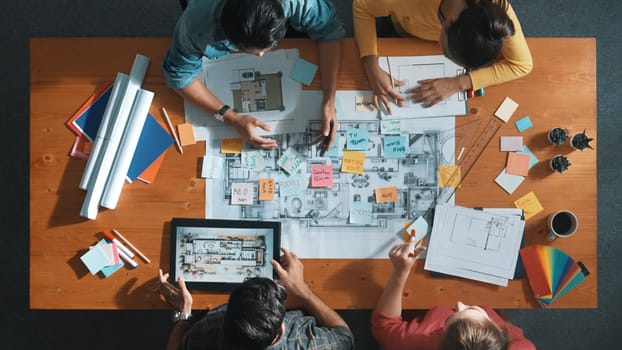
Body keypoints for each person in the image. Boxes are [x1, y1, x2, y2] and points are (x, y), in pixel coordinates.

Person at [163, 0, 345, 149]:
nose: (261, 56)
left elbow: (329, 30)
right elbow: (178, 77)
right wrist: (231, 118)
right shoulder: (197, 25)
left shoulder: (298, 2)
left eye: (270, 47)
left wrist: (329, 101)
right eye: (251, 51)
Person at [353, 0, 532, 113]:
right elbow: (361, 5)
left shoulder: (495, 15)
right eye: (446, 51)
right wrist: (370, 63)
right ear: (449, 21)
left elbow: (522, 65)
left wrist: (460, 82)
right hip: (400, 22)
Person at [158, 248, 354, 350]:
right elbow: (345, 337)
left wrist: (183, 316)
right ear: (281, 329)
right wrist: (302, 290)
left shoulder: (201, 336)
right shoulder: (307, 343)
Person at [371, 241, 535, 349]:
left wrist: (400, 272)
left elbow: (384, 325)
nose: (458, 304)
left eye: (449, 319)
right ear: (501, 332)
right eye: (472, 310)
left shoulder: (419, 339)